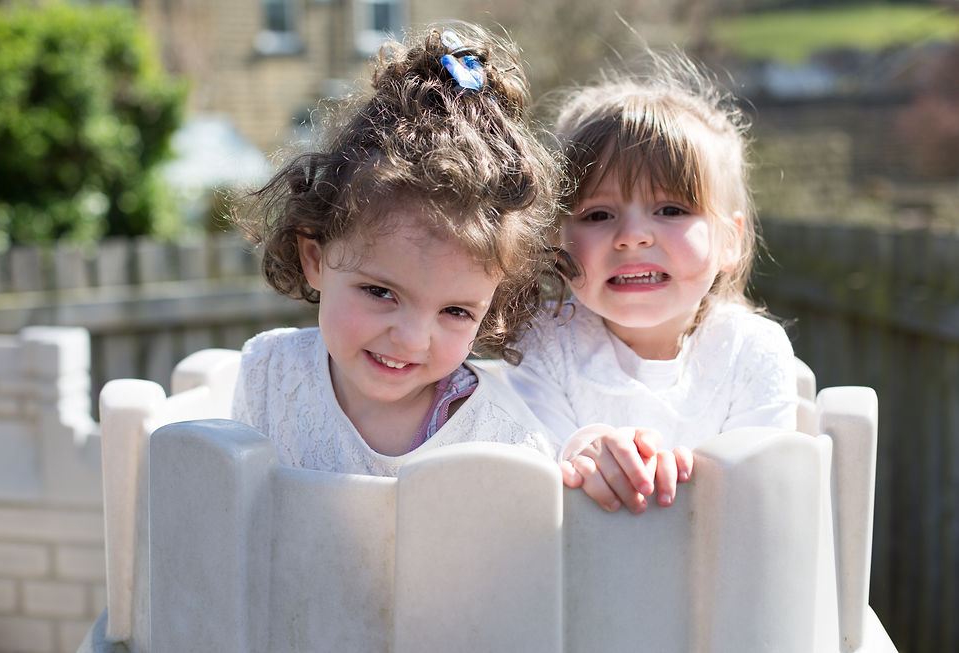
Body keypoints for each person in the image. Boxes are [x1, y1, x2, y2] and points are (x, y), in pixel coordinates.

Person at [230, 23, 563, 476]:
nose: (411, 338)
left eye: (456, 312)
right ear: (315, 258)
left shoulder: (504, 440)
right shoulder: (269, 376)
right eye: (380, 292)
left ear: (492, 304)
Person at [506, 53, 799, 513]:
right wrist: (579, 453)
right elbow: (523, 485)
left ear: (730, 240)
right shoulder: (543, 342)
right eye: (598, 215)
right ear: (556, 241)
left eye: (671, 210)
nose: (633, 236)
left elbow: (763, 501)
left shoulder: (752, 352)